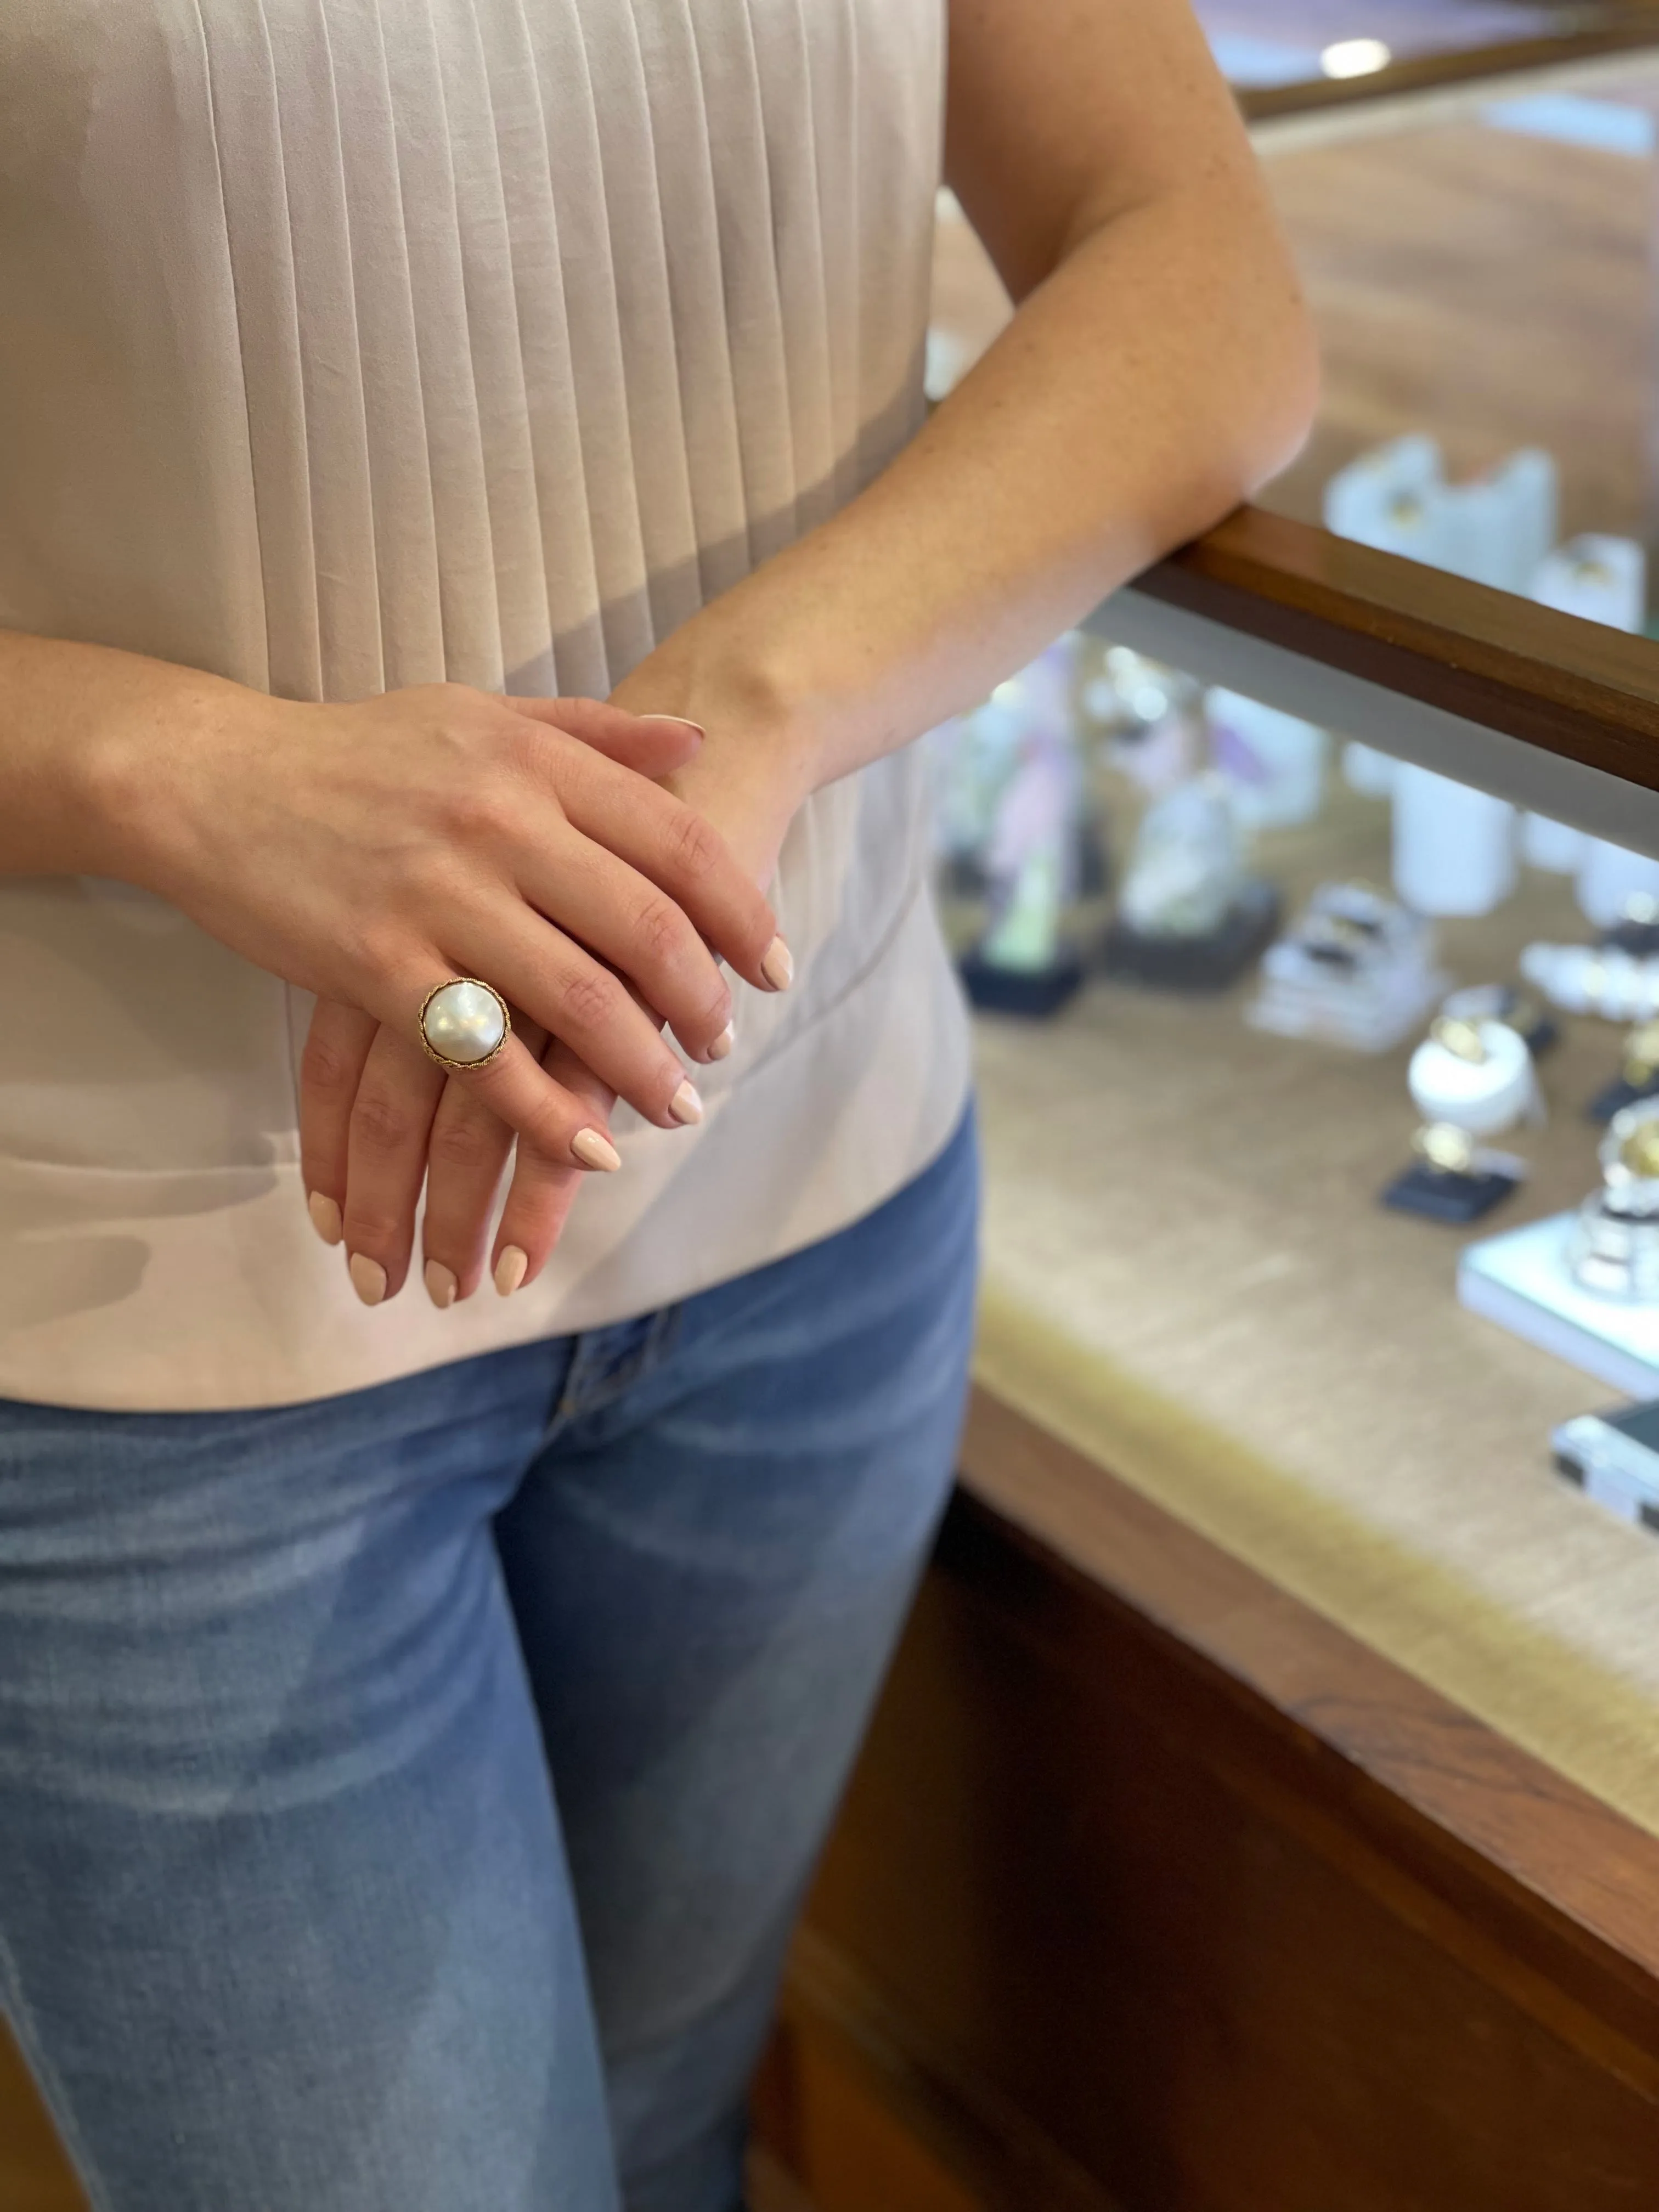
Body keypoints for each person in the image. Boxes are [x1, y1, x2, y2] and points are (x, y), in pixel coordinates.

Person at [0, 0, 1317, 2205]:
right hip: (132, 1337)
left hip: (810, 1207)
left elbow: (1197, 266)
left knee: (664, 2134)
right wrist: (177, 766)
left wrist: (734, 716)